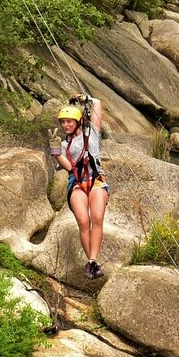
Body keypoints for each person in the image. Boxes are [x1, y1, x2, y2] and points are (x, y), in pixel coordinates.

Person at [50, 94, 109, 279]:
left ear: (78, 121)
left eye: (69, 121)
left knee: (97, 217)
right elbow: (68, 167)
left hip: (96, 179)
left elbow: (98, 104)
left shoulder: (91, 133)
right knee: (83, 221)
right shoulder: (63, 144)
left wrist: (85, 98)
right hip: (76, 182)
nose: (65, 125)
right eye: (63, 122)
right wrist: (55, 152)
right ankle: (91, 261)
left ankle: (93, 260)